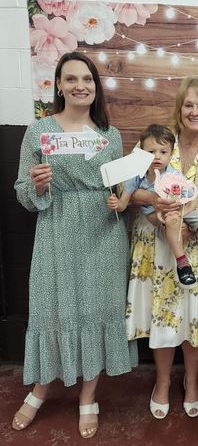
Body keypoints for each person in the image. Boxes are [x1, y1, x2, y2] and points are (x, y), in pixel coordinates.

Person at [12, 52, 134, 438]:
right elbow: (22, 191)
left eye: (87, 79)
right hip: (56, 230)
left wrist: (122, 199)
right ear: (59, 86)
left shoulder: (111, 135)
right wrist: (37, 186)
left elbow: (121, 188)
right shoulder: (38, 131)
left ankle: (88, 396)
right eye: (71, 78)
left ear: (95, 86)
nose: (80, 85)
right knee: (51, 310)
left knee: (99, 309)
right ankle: (40, 390)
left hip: (104, 234)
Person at [126, 77, 198, 420]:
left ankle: (191, 380)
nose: (195, 112)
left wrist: (193, 227)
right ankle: (162, 382)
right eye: (189, 105)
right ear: (179, 108)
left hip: (195, 251)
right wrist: (151, 200)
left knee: (193, 321)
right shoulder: (153, 142)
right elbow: (128, 188)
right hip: (155, 247)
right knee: (163, 318)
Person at [107, 124, 198, 291]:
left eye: (163, 152)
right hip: (157, 217)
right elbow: (123, 203)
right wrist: (117, 204)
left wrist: (184, 212)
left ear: (171, 154)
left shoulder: (174, 175)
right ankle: (183, 264)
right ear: (142, 153)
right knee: (172, 222)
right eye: (151, 152)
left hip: (180, 210)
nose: (157, 157)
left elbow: (192, 196)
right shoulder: (137, 176)